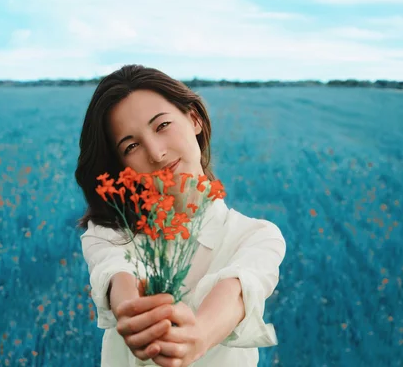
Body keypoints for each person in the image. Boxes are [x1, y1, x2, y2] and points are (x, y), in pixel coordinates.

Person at [75, 64, 286, 367]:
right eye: (131, 145)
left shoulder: (256, 236)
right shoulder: (108, 234)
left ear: (195, 119)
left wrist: (198, 335)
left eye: (162, 126)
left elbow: (239, 288)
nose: (156, 153)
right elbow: (116, 271)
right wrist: (131, 308)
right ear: (122, 167)